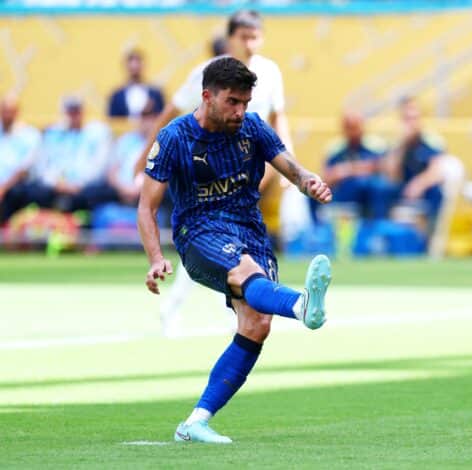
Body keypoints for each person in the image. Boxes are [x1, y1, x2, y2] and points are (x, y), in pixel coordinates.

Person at [138, 57, 333, 444]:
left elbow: (289, 166)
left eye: (245, 102)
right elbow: (147, 206)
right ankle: (301, 305)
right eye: (233, 102)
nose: (240, 111)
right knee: (245, 273)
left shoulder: (253, 127)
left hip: (251, 231)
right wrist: (157, 258)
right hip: (200, 233)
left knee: (256, 324)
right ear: (207, 96)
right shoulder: (175, 138)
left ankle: (195, 422)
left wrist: (308, 181)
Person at [135, 10, 294, 336]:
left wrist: (289, 168)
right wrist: (143, 157)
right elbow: (173, 111)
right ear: (231, 36)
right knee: (213, 235)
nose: (250, 43)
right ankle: (179, 305)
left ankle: (234, 307)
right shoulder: (208, 74)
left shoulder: (270, 71)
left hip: (253, 160)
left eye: (256, 36)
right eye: (244, 36)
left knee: (236, 239)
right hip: (209, 165)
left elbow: (279, 118)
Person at [3, 96, 114, 218]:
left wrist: (77, 184)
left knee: (97, 194)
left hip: (84, 187)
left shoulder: (97, 133)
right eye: (70, 111)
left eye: (76, 111)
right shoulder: (53, 134)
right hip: (55, 187)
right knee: (33, 193)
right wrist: (55, 183)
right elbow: (43, 164)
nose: (73, 115)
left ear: (83, 112)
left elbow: (98, 166)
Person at [382, 97, 447, 230]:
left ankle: (430, 235)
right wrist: (403, 145)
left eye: (414, 118)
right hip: (401, 187)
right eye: (407, 119)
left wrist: (419, 184)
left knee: (436, 192)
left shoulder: (433, 142)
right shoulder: (396, 145)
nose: (412, 123)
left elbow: (437, 172)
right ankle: (383, 233)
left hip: (424, 188)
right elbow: (391, 174)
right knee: (380, 189)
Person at [316, 110, 388, 221]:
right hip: (344, 198)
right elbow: (326, 179)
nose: (353, 132)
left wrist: (344, 170)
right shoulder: (334, 150)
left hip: (370, 198)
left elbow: (380, 167)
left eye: (356, 126)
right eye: (349, 127)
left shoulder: (375, 147)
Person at [0, 93, 41, 223]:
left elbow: (24, 169)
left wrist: (4, 187)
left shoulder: (29, 135)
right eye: (4, 111)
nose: (7, 115)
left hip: (16, 187)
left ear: (17, 112)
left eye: (10, 111)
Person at [107, 49, 165, 118]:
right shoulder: (117, 95)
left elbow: (163, 117)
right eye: (131, 61)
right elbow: (112, 120)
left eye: (138, 61)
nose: (135, 65)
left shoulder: (155, 94)